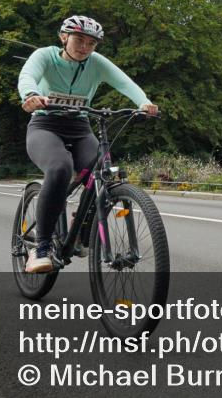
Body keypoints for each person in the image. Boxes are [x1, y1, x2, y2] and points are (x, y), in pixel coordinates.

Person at [17, 15, 158, 273]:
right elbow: (28, 75)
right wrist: (30, 95)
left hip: (80, 127)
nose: (84, 47)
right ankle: (42, 246)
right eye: (79, 39)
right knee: (60, 168)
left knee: (104, 173)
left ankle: (81, 231)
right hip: (45, 125)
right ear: (63, 37)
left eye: (91, 43)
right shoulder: (45, 56)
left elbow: (124, 82)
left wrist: (144, 102)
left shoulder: (96, 63)